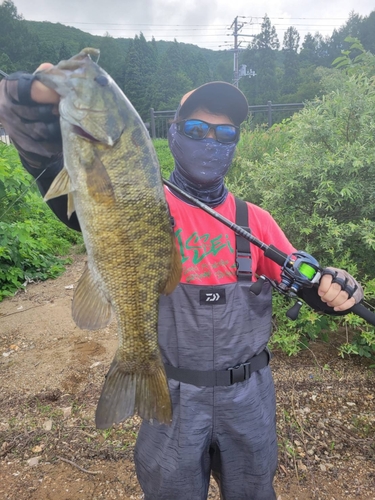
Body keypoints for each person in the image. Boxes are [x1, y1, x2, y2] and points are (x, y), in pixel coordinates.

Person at [0, 65, 364, 500]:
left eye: (225, 134)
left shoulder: (256, 221)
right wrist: (28, 95)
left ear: (235, 144)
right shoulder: (132, 197)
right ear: (173, 133)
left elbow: (302, 282)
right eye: (196, 128)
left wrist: (332, 288)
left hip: (248, 400)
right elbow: (46, 160)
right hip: (169, 397)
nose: (210, 141)